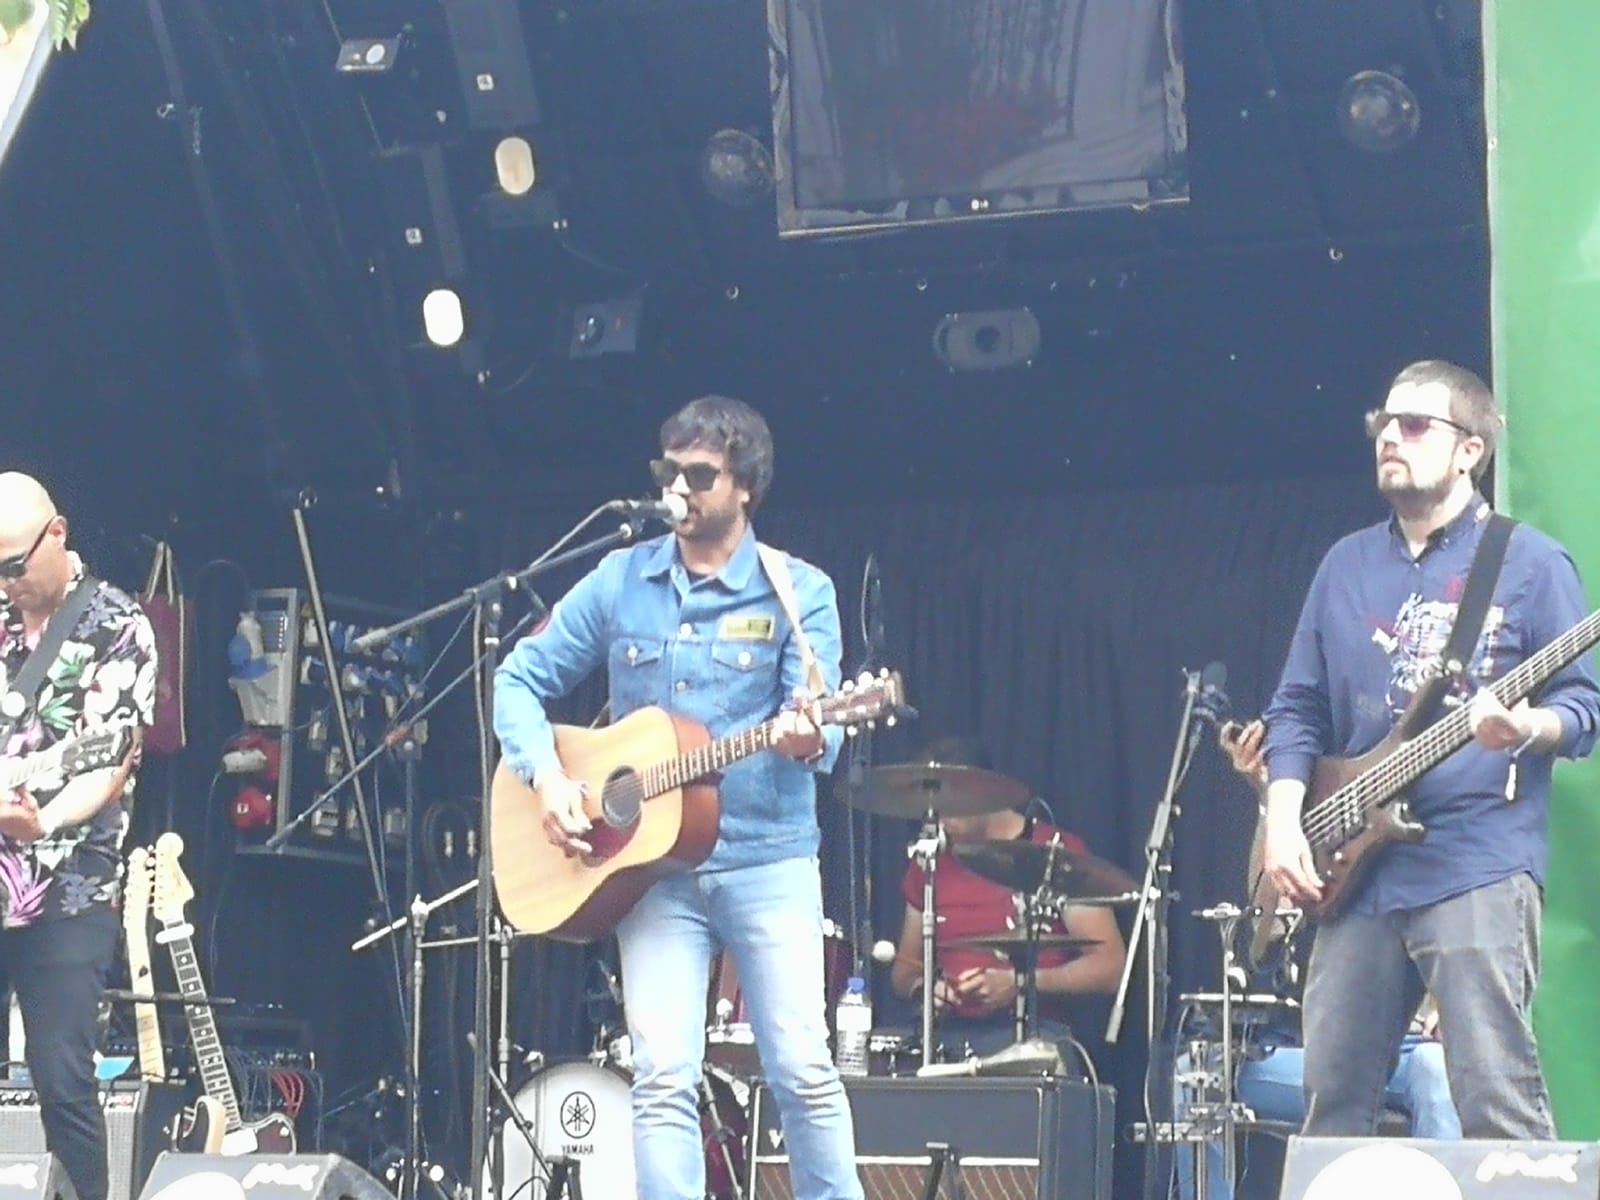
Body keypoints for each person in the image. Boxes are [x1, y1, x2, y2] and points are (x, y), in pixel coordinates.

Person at [494, 396, 862, 1200]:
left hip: (768, 861)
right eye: (670, 473)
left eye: (701, 475)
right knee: (662, 1077)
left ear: (746, 490)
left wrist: (809, 732)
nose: (680, 490)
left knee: (801, 1066)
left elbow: (820, 728)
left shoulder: (798, 591)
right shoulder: (622, 578)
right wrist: (549, 778)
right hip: (652, 871)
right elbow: (517, 678)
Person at [1260, 360, 1600, 1140]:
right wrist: (1284, 822)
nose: (1391, 437)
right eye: (1384, 421)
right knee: (1332, 1103)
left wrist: (1526, 729)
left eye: (1416, 425)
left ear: (1470, 450)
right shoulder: (1345, 564)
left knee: (1495, 1099)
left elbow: (1584, 707)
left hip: (1476, 859)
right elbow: (1299, 706)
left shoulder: (1532, 562)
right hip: (1356, 869)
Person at [1171, 719, 1459, 1200]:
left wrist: (1447, 1010)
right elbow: (1264, 931)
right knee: (1196, 1075)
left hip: (1413, 1051)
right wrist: (1269, 803)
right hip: (1318, 1054)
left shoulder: (1420, 830)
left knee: (1438, 1070)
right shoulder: (1301, 829)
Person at [0, 473, 153, 1200]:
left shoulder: (117, 624)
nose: (6, 583)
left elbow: (109, 766)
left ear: (57, 534)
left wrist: (45, 819)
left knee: (63, 1082)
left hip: (67, 887)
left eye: (13, 565)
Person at [887, 738, 1127, 1065]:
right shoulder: (930, 861)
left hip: (1034, 1033)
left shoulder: (1055, 853)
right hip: (945, 1034)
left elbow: (1111, 967)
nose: (940, 821)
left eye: (950, 806)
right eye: (933, 810)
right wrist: (924, 988)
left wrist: (1020, 984)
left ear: (985, 791)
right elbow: (904, 968)